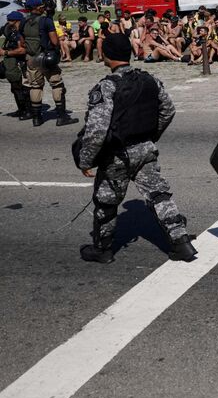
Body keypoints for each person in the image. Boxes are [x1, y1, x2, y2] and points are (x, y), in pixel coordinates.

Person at [75, 33, 197, 264]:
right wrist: (151, 136)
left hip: (116, 156)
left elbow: (96, 130)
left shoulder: (106, 87)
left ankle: (103, 249)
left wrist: (86, 160)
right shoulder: (149, 79)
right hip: (145, 150)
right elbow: (168, 110)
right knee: (160, 195)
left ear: (107, 56)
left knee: (106, 203)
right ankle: (181, 243)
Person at [21, 0, 78, 126]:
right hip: (45, 58)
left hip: (31, 58)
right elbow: (54, 41)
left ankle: (36, 118)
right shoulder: (45, 21)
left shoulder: (23, 21)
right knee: (57, 84)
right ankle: (62, 116)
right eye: (40, 6)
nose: (42, 8)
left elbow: (22, 41)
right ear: (36, 8)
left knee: (35, 86)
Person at [1, 11, 31, 119]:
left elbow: (22, 50)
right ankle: (21, 109)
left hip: (20, 63)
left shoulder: (21, 33)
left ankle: (28, 111)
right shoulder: (10, 31)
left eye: (10, 20)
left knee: (23, 87)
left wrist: (5, 52)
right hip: (11, 63)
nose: (8, 22)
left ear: (16, 21)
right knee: (14, 88)